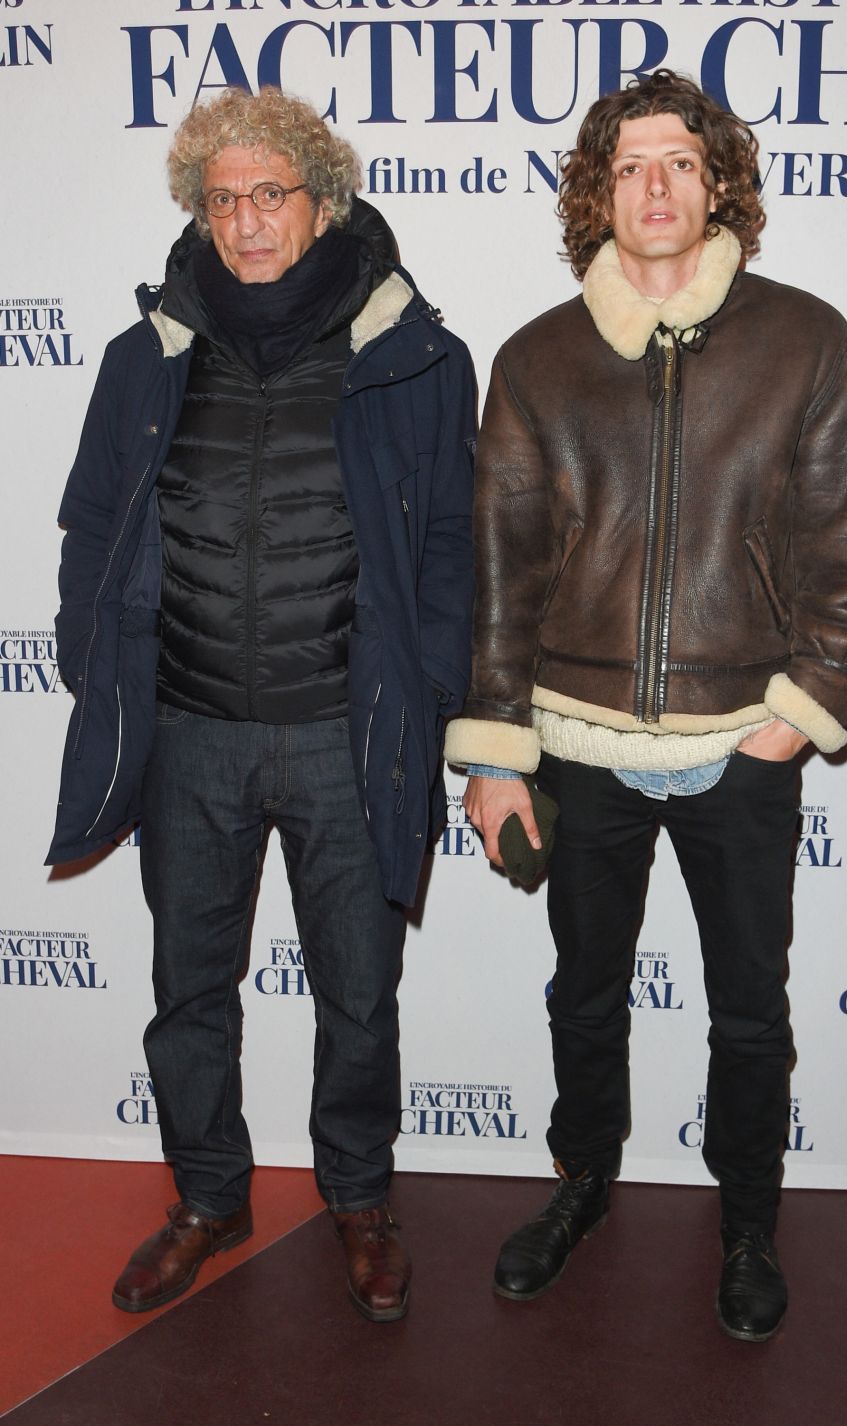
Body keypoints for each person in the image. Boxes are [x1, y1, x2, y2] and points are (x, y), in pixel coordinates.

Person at [445, 69, 847, 1341]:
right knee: (582, 995)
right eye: (630, 164)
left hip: (739, 749)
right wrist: (493, 758)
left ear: (719, 187)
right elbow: (499, 577)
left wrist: (789, 718)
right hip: (578, 748)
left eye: (680, 163)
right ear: (599, 189)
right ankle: (580, 1184)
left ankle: (749, 1219)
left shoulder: (803, 340)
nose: (655, 186)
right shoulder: (535, 359)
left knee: (748, 1008)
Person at [47, 86, 475, 1324]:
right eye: (221, 198)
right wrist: (96, 655)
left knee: (356, 990)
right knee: (189, 988)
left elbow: (449, 543)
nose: (244, 221)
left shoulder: (413, 355)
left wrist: (431, 690)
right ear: (198, 211)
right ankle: (208, 1194)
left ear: (322, 201)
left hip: (348, 736)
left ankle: (357, 1194)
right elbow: (89, 521)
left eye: (268, 194)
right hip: (188, 732)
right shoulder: (145, 359)